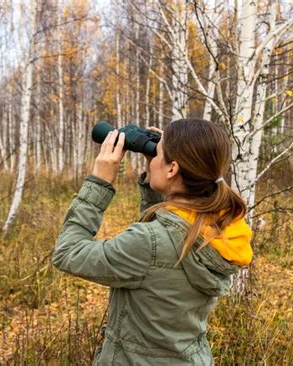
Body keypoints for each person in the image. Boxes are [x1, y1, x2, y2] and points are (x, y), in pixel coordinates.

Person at [53, 118, 253, 365]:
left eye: (157, 153)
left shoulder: (150, 243)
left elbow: (67, 252)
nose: (153, 156)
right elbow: (160, 249)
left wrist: (99, 182)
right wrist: (155, 177)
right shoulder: (218, 226)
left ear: (172, 169)